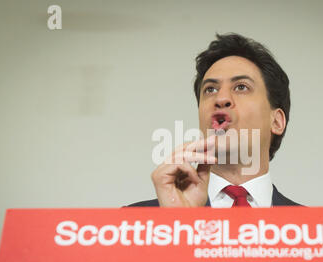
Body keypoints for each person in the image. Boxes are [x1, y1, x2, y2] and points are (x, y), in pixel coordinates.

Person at [127, 33, 301, 208]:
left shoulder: (317, 230)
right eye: (210, 89)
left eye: (241, 87)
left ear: (277, 121)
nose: (221, 98)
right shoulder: (134, 223)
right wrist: (179, 224)